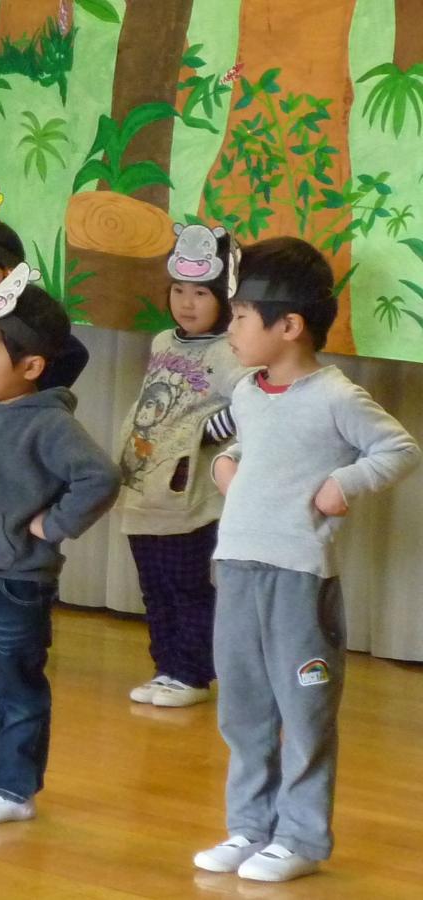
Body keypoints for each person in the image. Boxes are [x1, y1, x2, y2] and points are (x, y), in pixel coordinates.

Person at [194, 236, 420, 882]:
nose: (229, 326)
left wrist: (342, 485)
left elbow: (399, 450)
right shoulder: (244, 393)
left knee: (304, 712)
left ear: (288, 325)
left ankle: (299, 837)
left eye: (238, 316)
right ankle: (249, 828)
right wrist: (225, 464)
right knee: (243, 710)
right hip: (235, 568)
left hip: (297, 581)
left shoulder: (336, 396)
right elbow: (247, 449)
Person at [0, 269, 120, 825]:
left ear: (31, 366)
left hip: (16, 585)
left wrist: (52, 526)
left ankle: (11, 789)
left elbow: (99, 478)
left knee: (16, 689)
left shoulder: (50, 425)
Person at [118, 225, 247, 707]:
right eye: (178, 290)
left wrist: (214, 431)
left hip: (190, 496)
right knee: (153, 586)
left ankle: (191, 672)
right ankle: (165, 667)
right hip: (146, 486)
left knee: (186, 585)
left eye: (200, 293)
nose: (186, 303)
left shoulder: (230, 350)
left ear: (225, 296)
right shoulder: (162, 343)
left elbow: (254, 399)